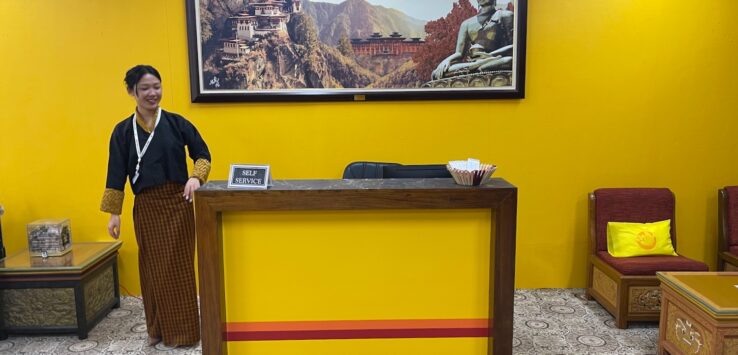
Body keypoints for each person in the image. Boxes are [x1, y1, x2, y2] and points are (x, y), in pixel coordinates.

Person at [100, 65, 211, 347]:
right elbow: (116, 174)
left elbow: (203, 155)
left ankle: (184, 333)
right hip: (147, 207)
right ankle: (157, 328)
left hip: (179, 204)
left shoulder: (176, 123)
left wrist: (196, 178)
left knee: (179, 269)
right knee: (153, 270)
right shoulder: (122, 131)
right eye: (145, 88)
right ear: (132, 92)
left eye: (157, 87)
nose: (153, 93)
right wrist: (115, 215)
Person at [432, 0, 514, 80]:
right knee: (442, 72)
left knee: (509, 61)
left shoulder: (505, 16)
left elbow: (515, 47)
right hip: (474, 63)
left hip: (496, 60)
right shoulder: (466, 24)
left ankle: (478, 68)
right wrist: (447, 60)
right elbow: (459, 53)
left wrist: (490, 55)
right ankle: (478, 67)